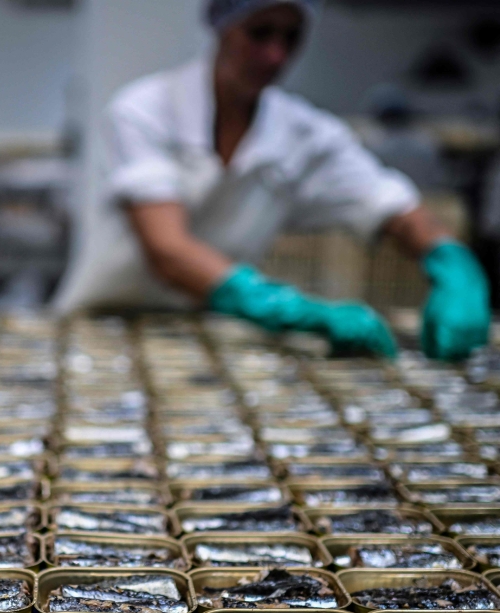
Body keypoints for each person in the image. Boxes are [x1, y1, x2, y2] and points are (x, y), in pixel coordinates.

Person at [54, 0, 490, 361]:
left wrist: (451, 262)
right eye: (260, 33)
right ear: (222, 27)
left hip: (218, 331)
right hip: (109, 323)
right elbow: (167, 249)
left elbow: (395, 207)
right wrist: (282, 306)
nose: (275, 55)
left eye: (291, 37)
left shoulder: (307, 134)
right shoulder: (144, 109)